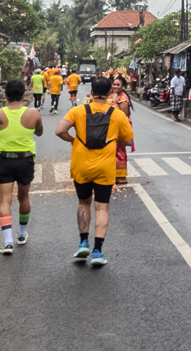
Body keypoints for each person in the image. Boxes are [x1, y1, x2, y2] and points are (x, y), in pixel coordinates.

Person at [56, 78, 133, 268]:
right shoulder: (117, 114)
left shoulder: (78, 110)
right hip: (105, 167)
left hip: (81, 164)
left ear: (91, 91)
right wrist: (114, 142)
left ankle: (83, 242)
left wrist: (74, 141)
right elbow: (128, 141)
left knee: (83, 202)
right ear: (109, 93)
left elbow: (59, 131)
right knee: (102, 207)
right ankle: (98, 251)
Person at [0, 80, 43, 256]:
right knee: (24, 197)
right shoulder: (33, 113)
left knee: (5, 200)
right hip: (25, 160)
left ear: (5, 95)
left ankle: (7, 242)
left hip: (4, 159)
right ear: (24, 94)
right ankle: (21, 234)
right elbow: (39, 132)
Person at [106, 76, 133, 185]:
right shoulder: (113, 96)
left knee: (120, 151)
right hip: (110, 127)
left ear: (123, 86)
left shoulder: (123, 97)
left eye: (118, 84)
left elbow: (124, 115)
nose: (115, 86)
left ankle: (121, 176)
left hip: (118, 127)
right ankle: (113, 174)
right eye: (114, 84)